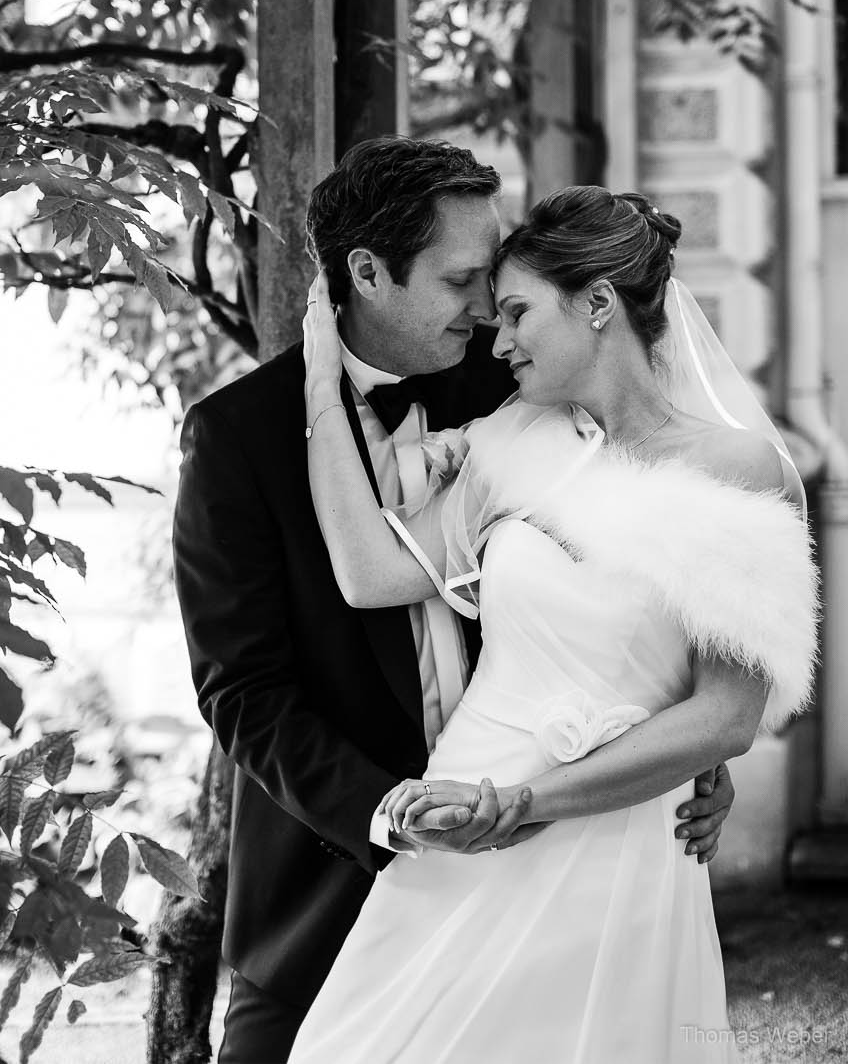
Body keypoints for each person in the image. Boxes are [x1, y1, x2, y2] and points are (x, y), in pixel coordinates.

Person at [171, 138, 738, 1064]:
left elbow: (633, 581)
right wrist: (392, 811)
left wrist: (679, 748)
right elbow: (244, 692)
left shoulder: (525, 386)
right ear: (368, 273)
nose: (488, 311)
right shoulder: (235, 438)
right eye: (462, 279)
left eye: (497, 286)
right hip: (329, 879)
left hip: (546, 864)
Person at [287, 185, 816, 1063]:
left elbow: (725, 715)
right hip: (461, 811)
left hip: (618, 835)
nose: (499, 341)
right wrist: (319, 384)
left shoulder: (741, 471)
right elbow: (369, 574)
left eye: (519, 313)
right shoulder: (511, 438)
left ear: (599, 304)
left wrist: (529, 802)